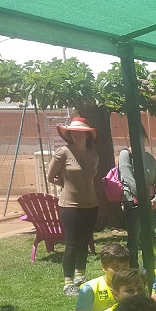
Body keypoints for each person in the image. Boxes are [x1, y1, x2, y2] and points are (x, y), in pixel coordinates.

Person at [47, 118, 100, 296]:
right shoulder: (63, 152)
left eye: (80, 132)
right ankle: (68, 283)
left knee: (85, 241)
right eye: (73, 132)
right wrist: (64, 183)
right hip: (70, 206)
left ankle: (80, 276)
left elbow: (91, 177)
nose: (76, 135)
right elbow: (50, 177)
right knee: (72, 244)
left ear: (87, 135)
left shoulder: (93, 155)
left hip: (91, 204)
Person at [118, 140, 156, 268]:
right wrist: (144, 199)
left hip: (151, 203)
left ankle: (151, 266)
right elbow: (128, 179)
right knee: (134, 238)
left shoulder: (150, 158)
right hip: (133, 202)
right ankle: (133, 268)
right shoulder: (125, 155)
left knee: (150, 235)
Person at [73, 244, 130, 311]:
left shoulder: (135, 285)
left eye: (125, 267)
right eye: (115, 267)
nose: (121, 271)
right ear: (104, 268)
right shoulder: (89, 288)